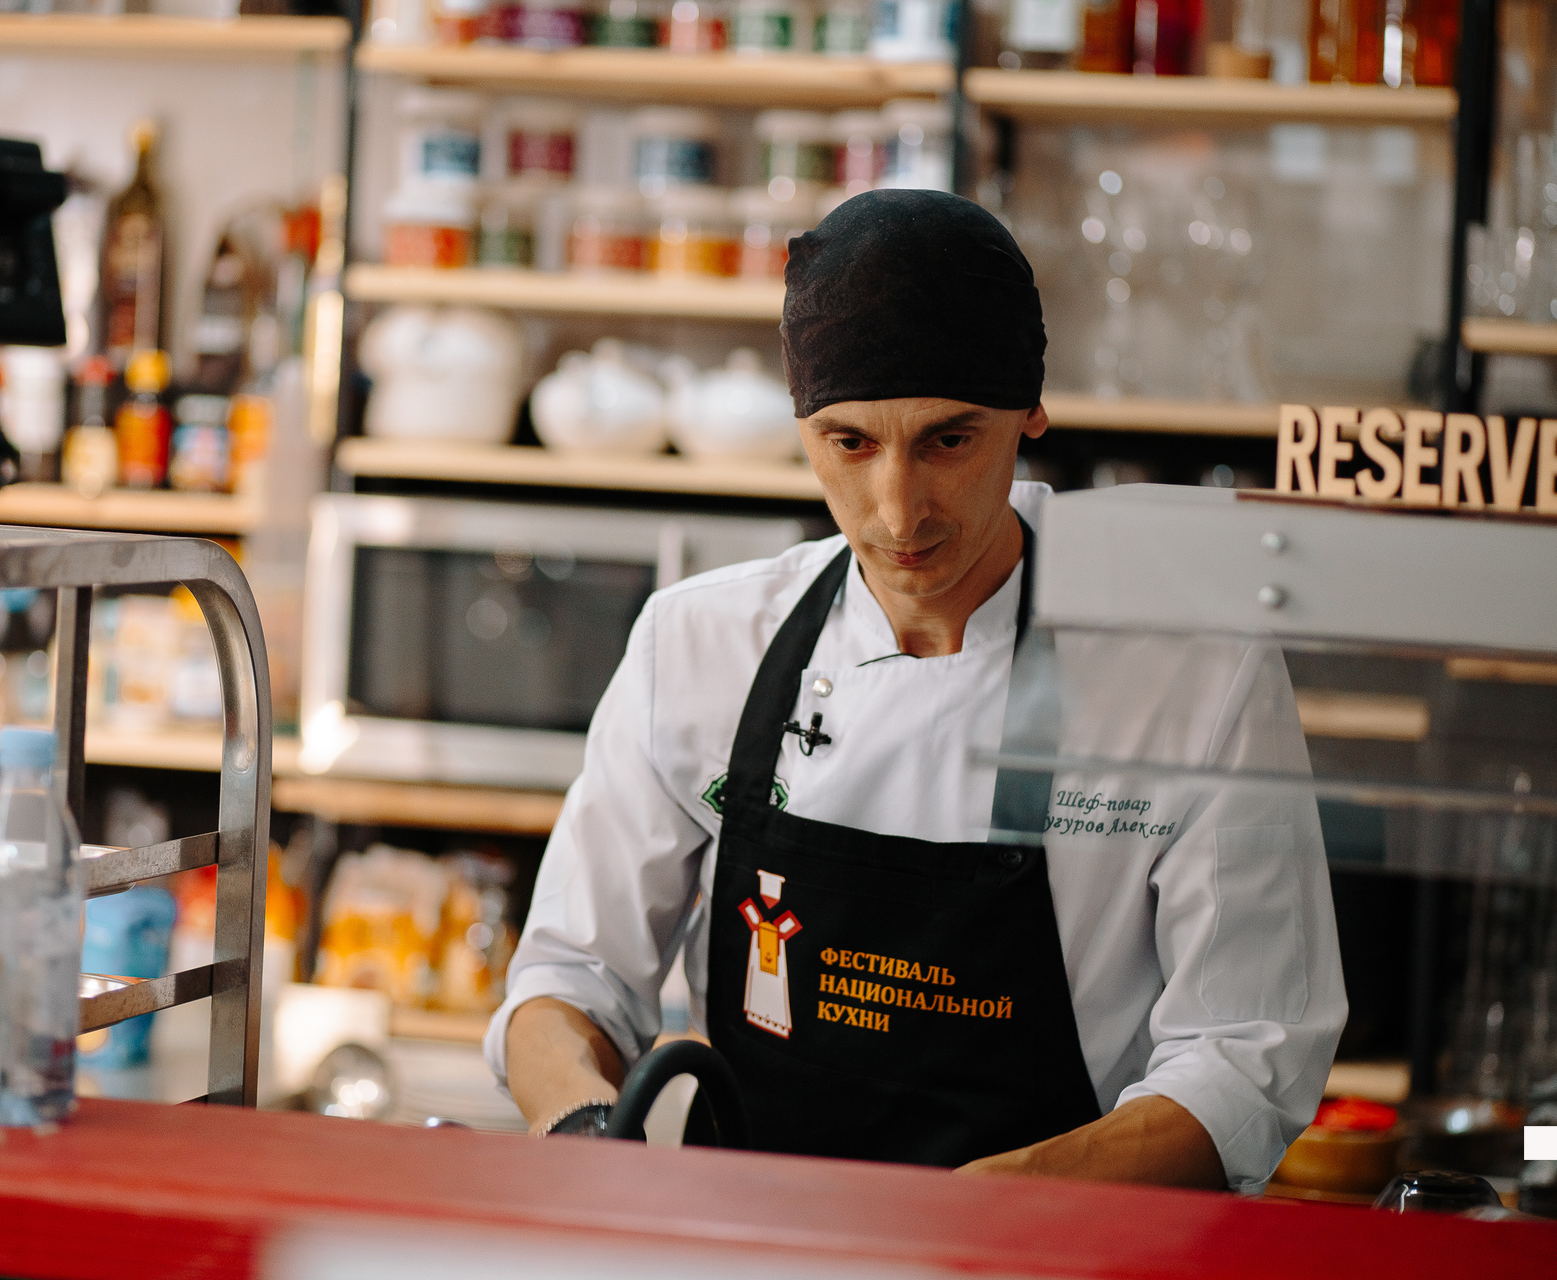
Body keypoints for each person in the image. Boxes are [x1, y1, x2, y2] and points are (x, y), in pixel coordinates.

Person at [486, 189, 1345, 1191]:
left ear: (1029, 411)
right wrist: (586, 1125)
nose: (898, 513)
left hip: (1051, 1248)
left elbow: (1245, 1053)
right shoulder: (697, 644)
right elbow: (570, 978)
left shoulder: (1197, 673)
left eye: (948, 440)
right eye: (849, 443)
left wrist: (980, 1212)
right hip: (748, 1236)